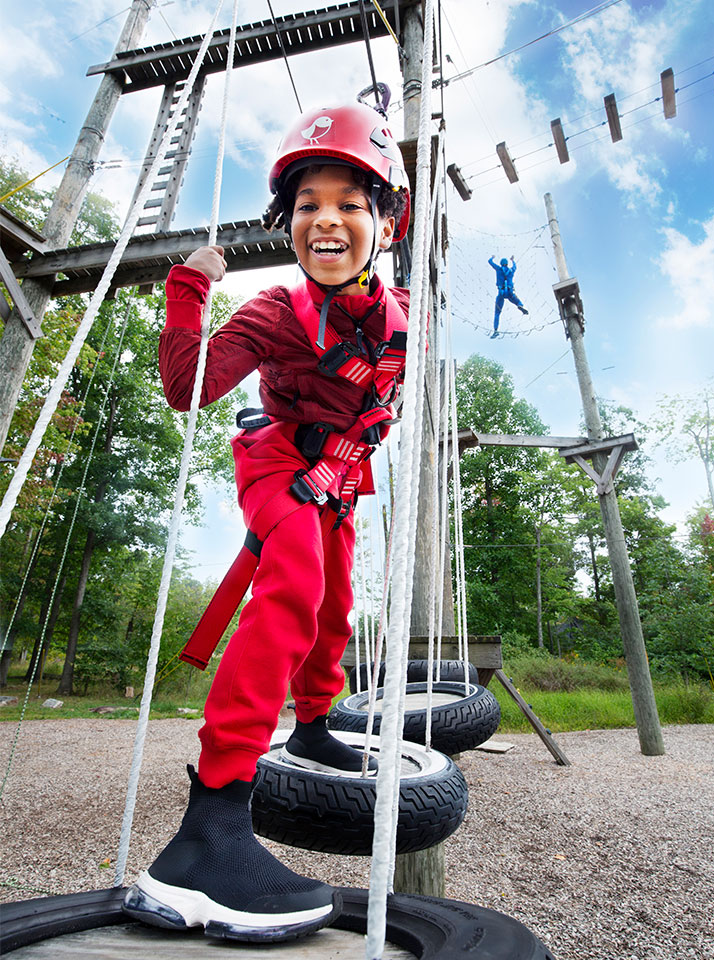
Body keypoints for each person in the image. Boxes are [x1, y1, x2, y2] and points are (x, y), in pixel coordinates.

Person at [121, 102, 411, 944]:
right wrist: (189, 288)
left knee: (333, 605)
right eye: (308, 205)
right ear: (289, 226)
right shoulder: (275, 314)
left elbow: (380, 399)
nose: (326, 220)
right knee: (293, 582)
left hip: (342, 473)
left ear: (383, 224)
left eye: (350, 204)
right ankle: (208, 828)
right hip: (279, 460)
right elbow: (189, 388)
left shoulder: (399, 316)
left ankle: (315, 722)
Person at [488, 254, 528, 337]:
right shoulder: (511, 271)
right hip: (510, 292)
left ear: (501, 263)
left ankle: (496, 330)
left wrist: (492, 257)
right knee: (517, 301)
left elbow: (490, 262)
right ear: (507, 263)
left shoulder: (498, 269)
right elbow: (515, 267)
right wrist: (512, 260)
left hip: (501, 293)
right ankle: (520, 305)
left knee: (497, 313)